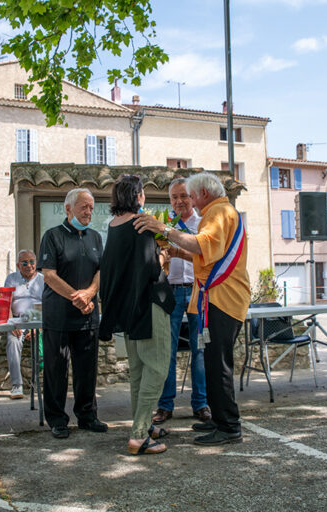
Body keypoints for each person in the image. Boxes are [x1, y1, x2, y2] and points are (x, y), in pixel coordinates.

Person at [135, 172, 249, 446]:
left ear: (203, 194)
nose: (189, 201)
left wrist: (162, 229)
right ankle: (220, 420)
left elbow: (203, 244)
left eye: (191, 195)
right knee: (211, 360)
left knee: (217, 364)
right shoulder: (220, 211)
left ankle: (229, 426)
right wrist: (178, 253)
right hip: (215, 299)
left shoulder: (217, 213)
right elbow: (208, 255)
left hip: (221, 299)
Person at [99, 175, 176, 455]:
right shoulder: (141, 225)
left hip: (128, 309)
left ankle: (142, 426)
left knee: (138, 372)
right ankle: (140, 434)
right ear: (138, 196)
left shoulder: (114, 226)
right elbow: (150, 269)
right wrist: (164, 258)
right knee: (156, 368)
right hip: (150, 306)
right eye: (142, 192)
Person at [38, 188, 105, 439]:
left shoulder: (96, 237)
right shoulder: (53, 236)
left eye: (91, 207)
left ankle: (88, 416)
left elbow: (101, 270)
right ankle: (57, 419)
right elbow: (49, 275)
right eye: (83, 207)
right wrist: (77, 298)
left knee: (87, 370)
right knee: (56, 370)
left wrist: (88, 294)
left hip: (88, 315)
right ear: (68, 209)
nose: (89, 212)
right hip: (59, 317)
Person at [152, 178, 210, 425]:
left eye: (183, 196)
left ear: (193, 196)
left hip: (197, 290)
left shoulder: (203, 224)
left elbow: (205, 255)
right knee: (168, 349)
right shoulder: (165, 224)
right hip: (171, 291)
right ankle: (165, 405)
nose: (179, 201)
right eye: (174, 197)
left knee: (199, 348)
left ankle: (201, 404)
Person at [3, 250, 45, 399]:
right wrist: (11, 324)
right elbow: (6, 302)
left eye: (32, 262)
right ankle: (17, 385)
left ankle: (44, 383)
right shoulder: (11, 278)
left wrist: (38, 327)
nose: (29, 265)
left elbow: (48, 305)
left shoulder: (43, 279)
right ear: (18, 265)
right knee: (13, 341)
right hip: (17, 320)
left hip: (38, 319)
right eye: (24, 263)